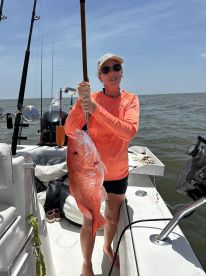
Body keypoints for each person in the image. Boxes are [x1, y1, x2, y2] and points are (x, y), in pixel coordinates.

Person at [64, 53, 139, 276]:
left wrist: (97, 109)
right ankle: (86, 265)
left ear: (122, 72)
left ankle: (107, 247)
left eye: (116, 67)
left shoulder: (131, 100)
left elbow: (128, 132)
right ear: (100, 77)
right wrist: (81, 102)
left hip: (118, 172)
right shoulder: (90, 99)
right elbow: (69, 129)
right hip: (91, 173)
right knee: (89, 221)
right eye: (106, 70)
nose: (112, 72)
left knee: (112, 217)